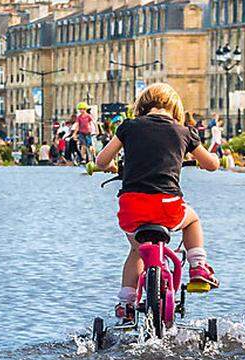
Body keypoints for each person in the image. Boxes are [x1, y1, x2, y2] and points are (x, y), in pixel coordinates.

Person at [94, 82, 220, 324]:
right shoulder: (184, 131)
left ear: (142, 106)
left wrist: (109, 167)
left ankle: (126, 304)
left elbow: (101, 160)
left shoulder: (129, 127)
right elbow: (211, 165)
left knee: (135, 250)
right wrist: (214, 158)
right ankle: (198, 267)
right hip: (168, 208)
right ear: (174, 108)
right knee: (192, 219)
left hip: (132, 209)